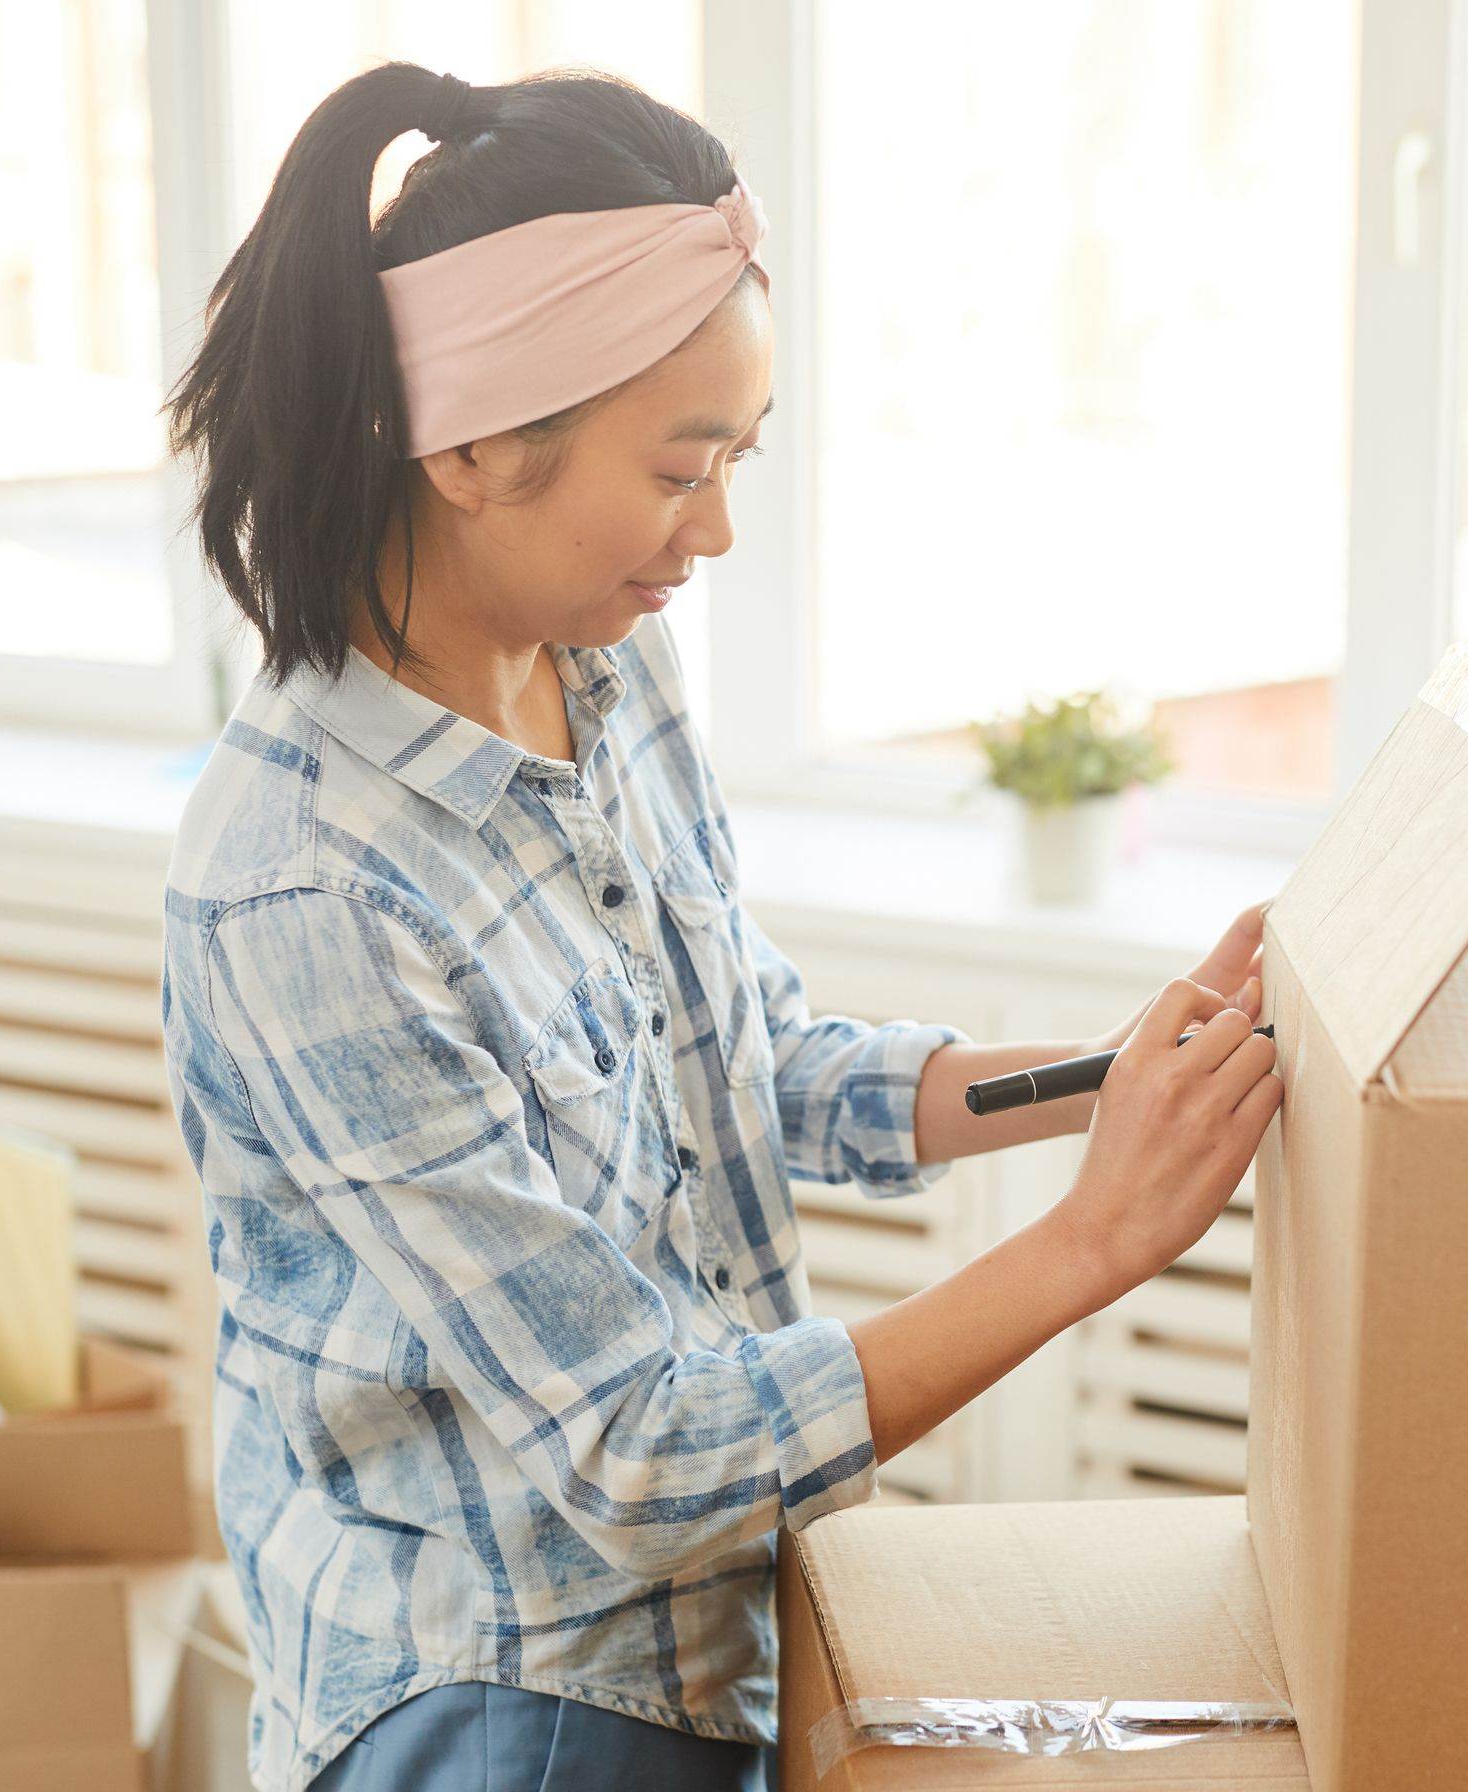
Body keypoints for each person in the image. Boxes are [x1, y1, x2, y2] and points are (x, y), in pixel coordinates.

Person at [156, 62, 1282, 1792]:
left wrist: (1108, 1077)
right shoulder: (303, 884)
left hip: (719, 1620)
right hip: (510, 1700)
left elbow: (748, 1059)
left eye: (739, 456)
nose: (721, 527)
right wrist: (1091, 1242)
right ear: (469, 445)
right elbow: (626, 1458)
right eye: (682, 467)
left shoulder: (605, 663)